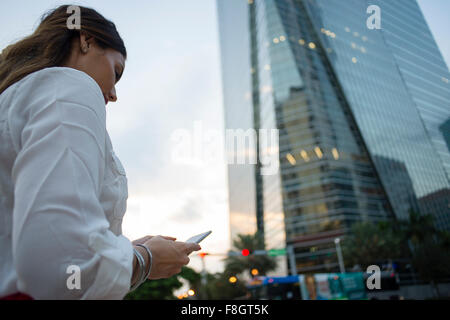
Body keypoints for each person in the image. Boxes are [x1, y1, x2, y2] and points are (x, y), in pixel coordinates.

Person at [0, 5, 200, 300]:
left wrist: (126, 253)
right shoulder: (71, 86)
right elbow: (60, 259)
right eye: (116, 72)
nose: (115, 94)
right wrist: (143, 259)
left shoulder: (18, 98)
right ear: (86, 40)